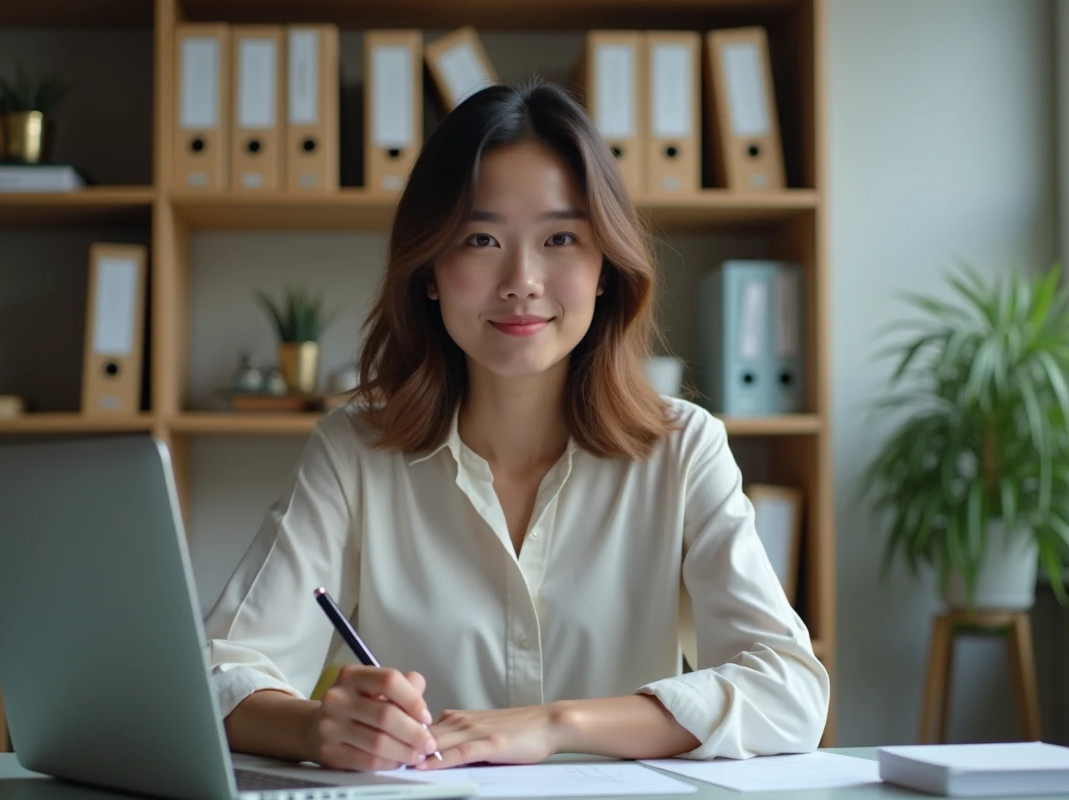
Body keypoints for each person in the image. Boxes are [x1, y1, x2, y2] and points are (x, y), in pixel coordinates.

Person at [203, 79, 830, 773]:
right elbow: (217, 673)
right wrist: (316, 728)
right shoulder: (355, 450)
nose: (522, 279)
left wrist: (557, 725)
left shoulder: (683, 448)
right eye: (480, 238)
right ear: (430, 271)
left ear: (604, 270)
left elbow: (791, 689)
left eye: (561, 237)